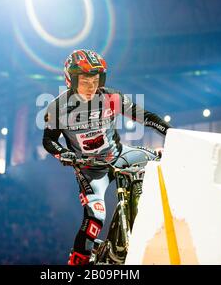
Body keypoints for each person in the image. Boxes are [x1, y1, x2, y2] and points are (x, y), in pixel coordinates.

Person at [42, 49, 171, 265]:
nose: (91, 86)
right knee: (95, 218)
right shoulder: (57, 108)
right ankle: (77, 263)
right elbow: (48, 140)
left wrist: (172, 134)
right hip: (90, 169)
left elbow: (145, 117)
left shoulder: (112, 97)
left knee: (163, 163)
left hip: (120, 155)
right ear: (70, 80)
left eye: (95, 79)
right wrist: (63, 154)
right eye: (84, 80)